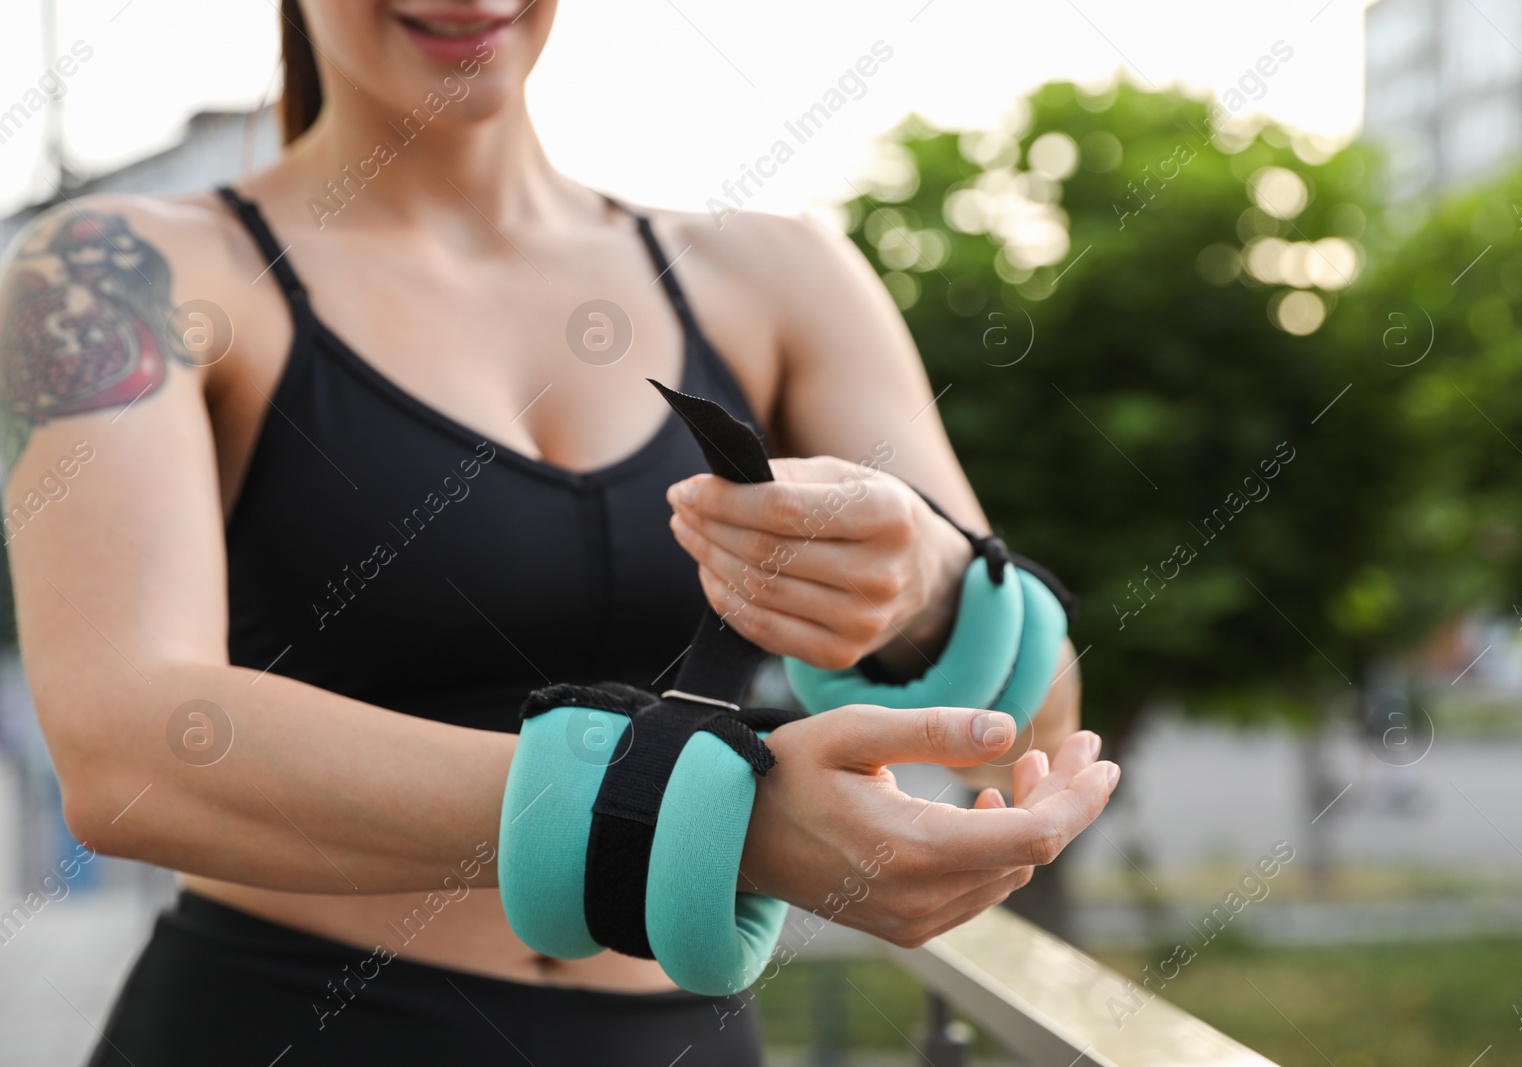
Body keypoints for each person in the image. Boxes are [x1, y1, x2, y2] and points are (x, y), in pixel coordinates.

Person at [0, 2, 1119, 1063]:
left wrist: (924, 590)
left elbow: (1034, 723)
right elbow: (127, 749)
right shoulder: (110, 275)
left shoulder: (780, 275)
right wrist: (719, 816)